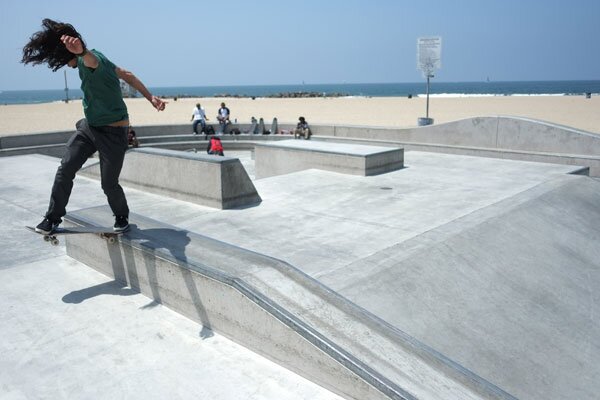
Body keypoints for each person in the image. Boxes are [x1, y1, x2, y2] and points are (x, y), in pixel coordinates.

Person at [22, 19, 167, 234]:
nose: (65, 66)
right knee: (66, 169)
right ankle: (52, 218)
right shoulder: (100, 56)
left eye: (62, 60)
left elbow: (90, 61)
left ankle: (121, 215)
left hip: (114, 132)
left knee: (108, 184)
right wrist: (150, 97)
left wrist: (80, 53)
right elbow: (128, 75)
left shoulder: (90, 59)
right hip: (90, 127)